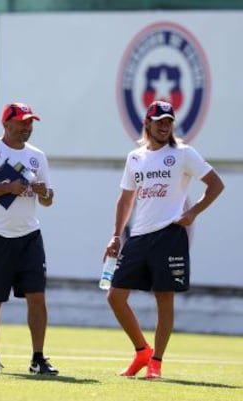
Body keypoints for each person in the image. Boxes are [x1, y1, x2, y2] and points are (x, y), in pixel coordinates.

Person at [104, 100, 224, 379]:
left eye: (168, 121)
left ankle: (156, 361)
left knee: (164, 298)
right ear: (147, 123)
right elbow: (125, 199)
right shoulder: (135, 157)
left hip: (169, 235)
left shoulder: (183, 153)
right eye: (159, 121)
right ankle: (141, 351)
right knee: (115, 296)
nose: (164, 126)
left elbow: (216, 184)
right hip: (138, 236)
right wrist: (115, 235)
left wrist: (193, 212)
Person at [0, 102, 58, 375]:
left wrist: (44, 193)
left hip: (29, 236)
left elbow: (49, 200)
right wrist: (5, 187)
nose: (27, 127)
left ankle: (38, 358)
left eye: (30, 122)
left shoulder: (37, 156)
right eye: (22, 122)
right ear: (6, 124)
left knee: (37, 297)